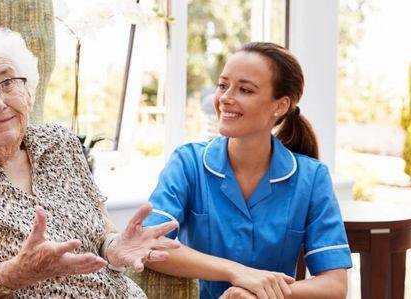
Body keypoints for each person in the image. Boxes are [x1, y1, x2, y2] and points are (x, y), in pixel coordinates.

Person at [0, 24, 180, 298]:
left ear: (29, 92)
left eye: (8, 83)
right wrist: (18, 272)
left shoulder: (60, 142)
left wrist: (115, 248)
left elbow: (103, 234)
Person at [142, 42, 352, 299]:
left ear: (280, 106)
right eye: (223, 85)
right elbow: (148, 244)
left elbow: (335, 285)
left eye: (245, 89)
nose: (225, 98)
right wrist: (236, 271)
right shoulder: (188, 163)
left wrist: (257, 294)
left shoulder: (312, 178)